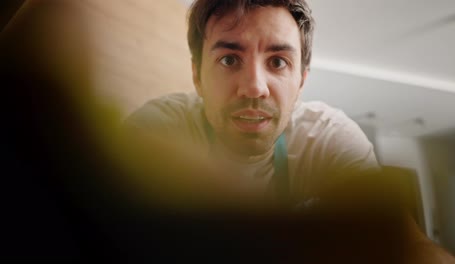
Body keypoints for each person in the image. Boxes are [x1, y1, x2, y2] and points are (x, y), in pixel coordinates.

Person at [125, 0, 378, 206]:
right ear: (197, 76)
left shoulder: (328, 140)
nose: (255, 88)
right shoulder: (157, 135)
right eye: (229, 60)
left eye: (278, 62)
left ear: (301, 82)